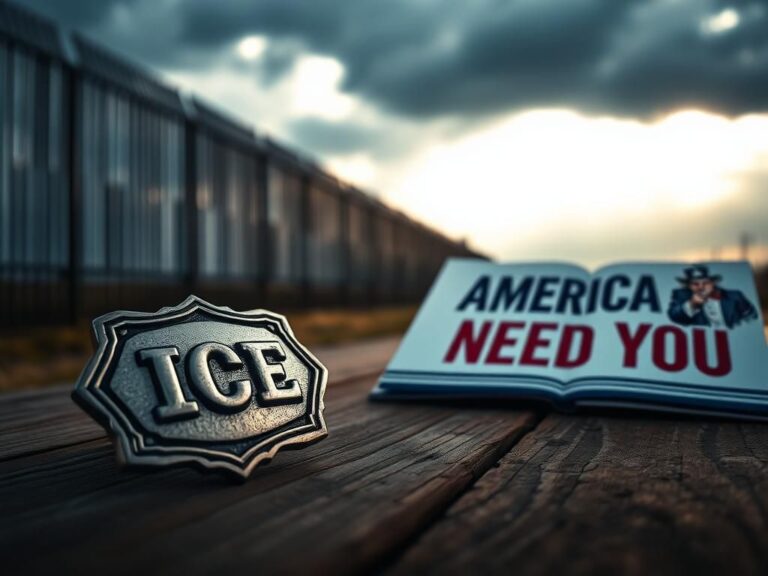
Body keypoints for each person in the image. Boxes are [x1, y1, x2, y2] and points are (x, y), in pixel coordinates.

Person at [668, 265, 757, 329]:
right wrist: (692, 304)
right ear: (689, 286)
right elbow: (674, 316)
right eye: (695, 284)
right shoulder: (682, 296)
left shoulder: (735, 296)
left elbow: (752, 320)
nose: (701, 287)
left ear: (713, 283)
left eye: (705, 283)